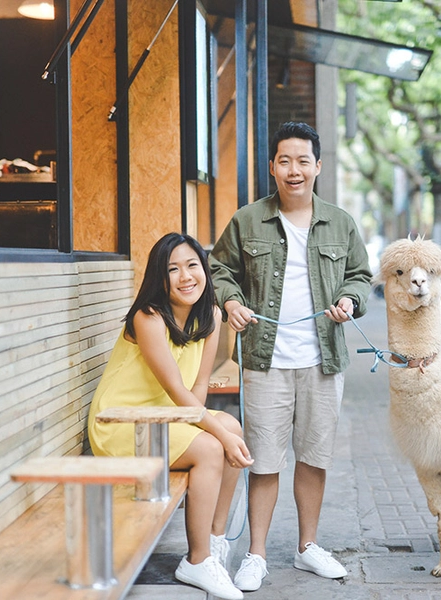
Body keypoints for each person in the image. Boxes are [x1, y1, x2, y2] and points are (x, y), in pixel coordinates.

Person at [209, 122, 372, 591]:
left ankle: (307, 548)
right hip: (265, 360)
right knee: (262, 461)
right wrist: (233, 302)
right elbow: (219, 269)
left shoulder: (340, 222)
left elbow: (360, 276)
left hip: (323, 360)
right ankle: (256, 554)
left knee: (314, 457)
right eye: (285, 161)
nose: (294, 170)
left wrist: (350, 301)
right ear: (272, 167)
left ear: (318, 167)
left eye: (303, 161)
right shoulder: (247, 220)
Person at [88, 232, 253, 600]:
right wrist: (219, 437)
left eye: (192, 265)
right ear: (159, 279)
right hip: (121, 423)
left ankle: (214, 539)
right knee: (214, 447)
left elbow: (197, 392)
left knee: (231, 425)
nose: (185, 276)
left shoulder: (210, 316)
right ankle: (197, 560)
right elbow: (179, 393)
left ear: (205, 271)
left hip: (165, 418)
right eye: (173, 269)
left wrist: (223, 432)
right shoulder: (149, 318)